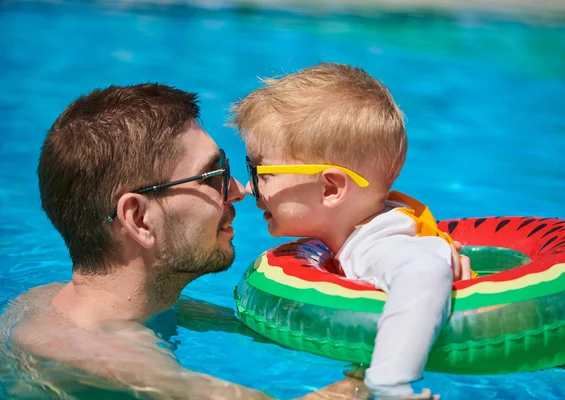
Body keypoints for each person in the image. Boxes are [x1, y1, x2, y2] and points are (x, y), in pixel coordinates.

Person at [1, 83, 369, 400]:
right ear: (139, 219)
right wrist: (366, 379)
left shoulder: (48, 298)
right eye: (213, 176)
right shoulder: (103, 356)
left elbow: (246, 325)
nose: (239, 190)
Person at [230, 63, 473, 400]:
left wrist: (389, 382)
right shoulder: (369, 231)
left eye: (260, 173)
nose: (248, 187)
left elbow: (424, 272)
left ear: (330, 188)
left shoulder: (378, 246)